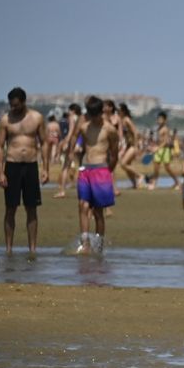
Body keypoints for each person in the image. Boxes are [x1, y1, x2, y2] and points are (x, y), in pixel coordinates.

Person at [0, 87, 45, 257]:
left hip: (31, 165)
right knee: (11, 208)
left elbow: (44, 143)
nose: (13, 108)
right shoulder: (5, 120)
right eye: (11, 105)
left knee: (32, 208)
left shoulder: (37, 118)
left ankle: (32, 248)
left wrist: (45, 168)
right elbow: (0, 146)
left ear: (23, 102)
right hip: (12, 165)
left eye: (16, 105)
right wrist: (0, 172)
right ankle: (8, 249)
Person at [73, 95, 120, 251]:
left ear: (102, 112)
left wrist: (108, 171)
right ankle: (85, 243)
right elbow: (76, 149)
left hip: (101, 169)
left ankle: (98, 246)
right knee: (83, 206)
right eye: (91, 115)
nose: (93, 119)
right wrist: (75, 165)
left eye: (96, 115)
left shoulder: (110, 130)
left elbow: (114, 154)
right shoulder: (84, 127)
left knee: (98, 211)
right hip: (85, 169)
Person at [146, 111, 177, 190]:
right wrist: (151, 146)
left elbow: (166, 141)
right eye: (158, 119)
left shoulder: (165, 129)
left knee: (167, 168)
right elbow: (157, 140)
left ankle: (177, 182)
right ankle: (154, 182)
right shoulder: (157, 129)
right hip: (158, 149)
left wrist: (157, 148)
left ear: (165, 120)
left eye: (161, 119)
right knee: (156, 167)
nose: (159, 120)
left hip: (165, 150)